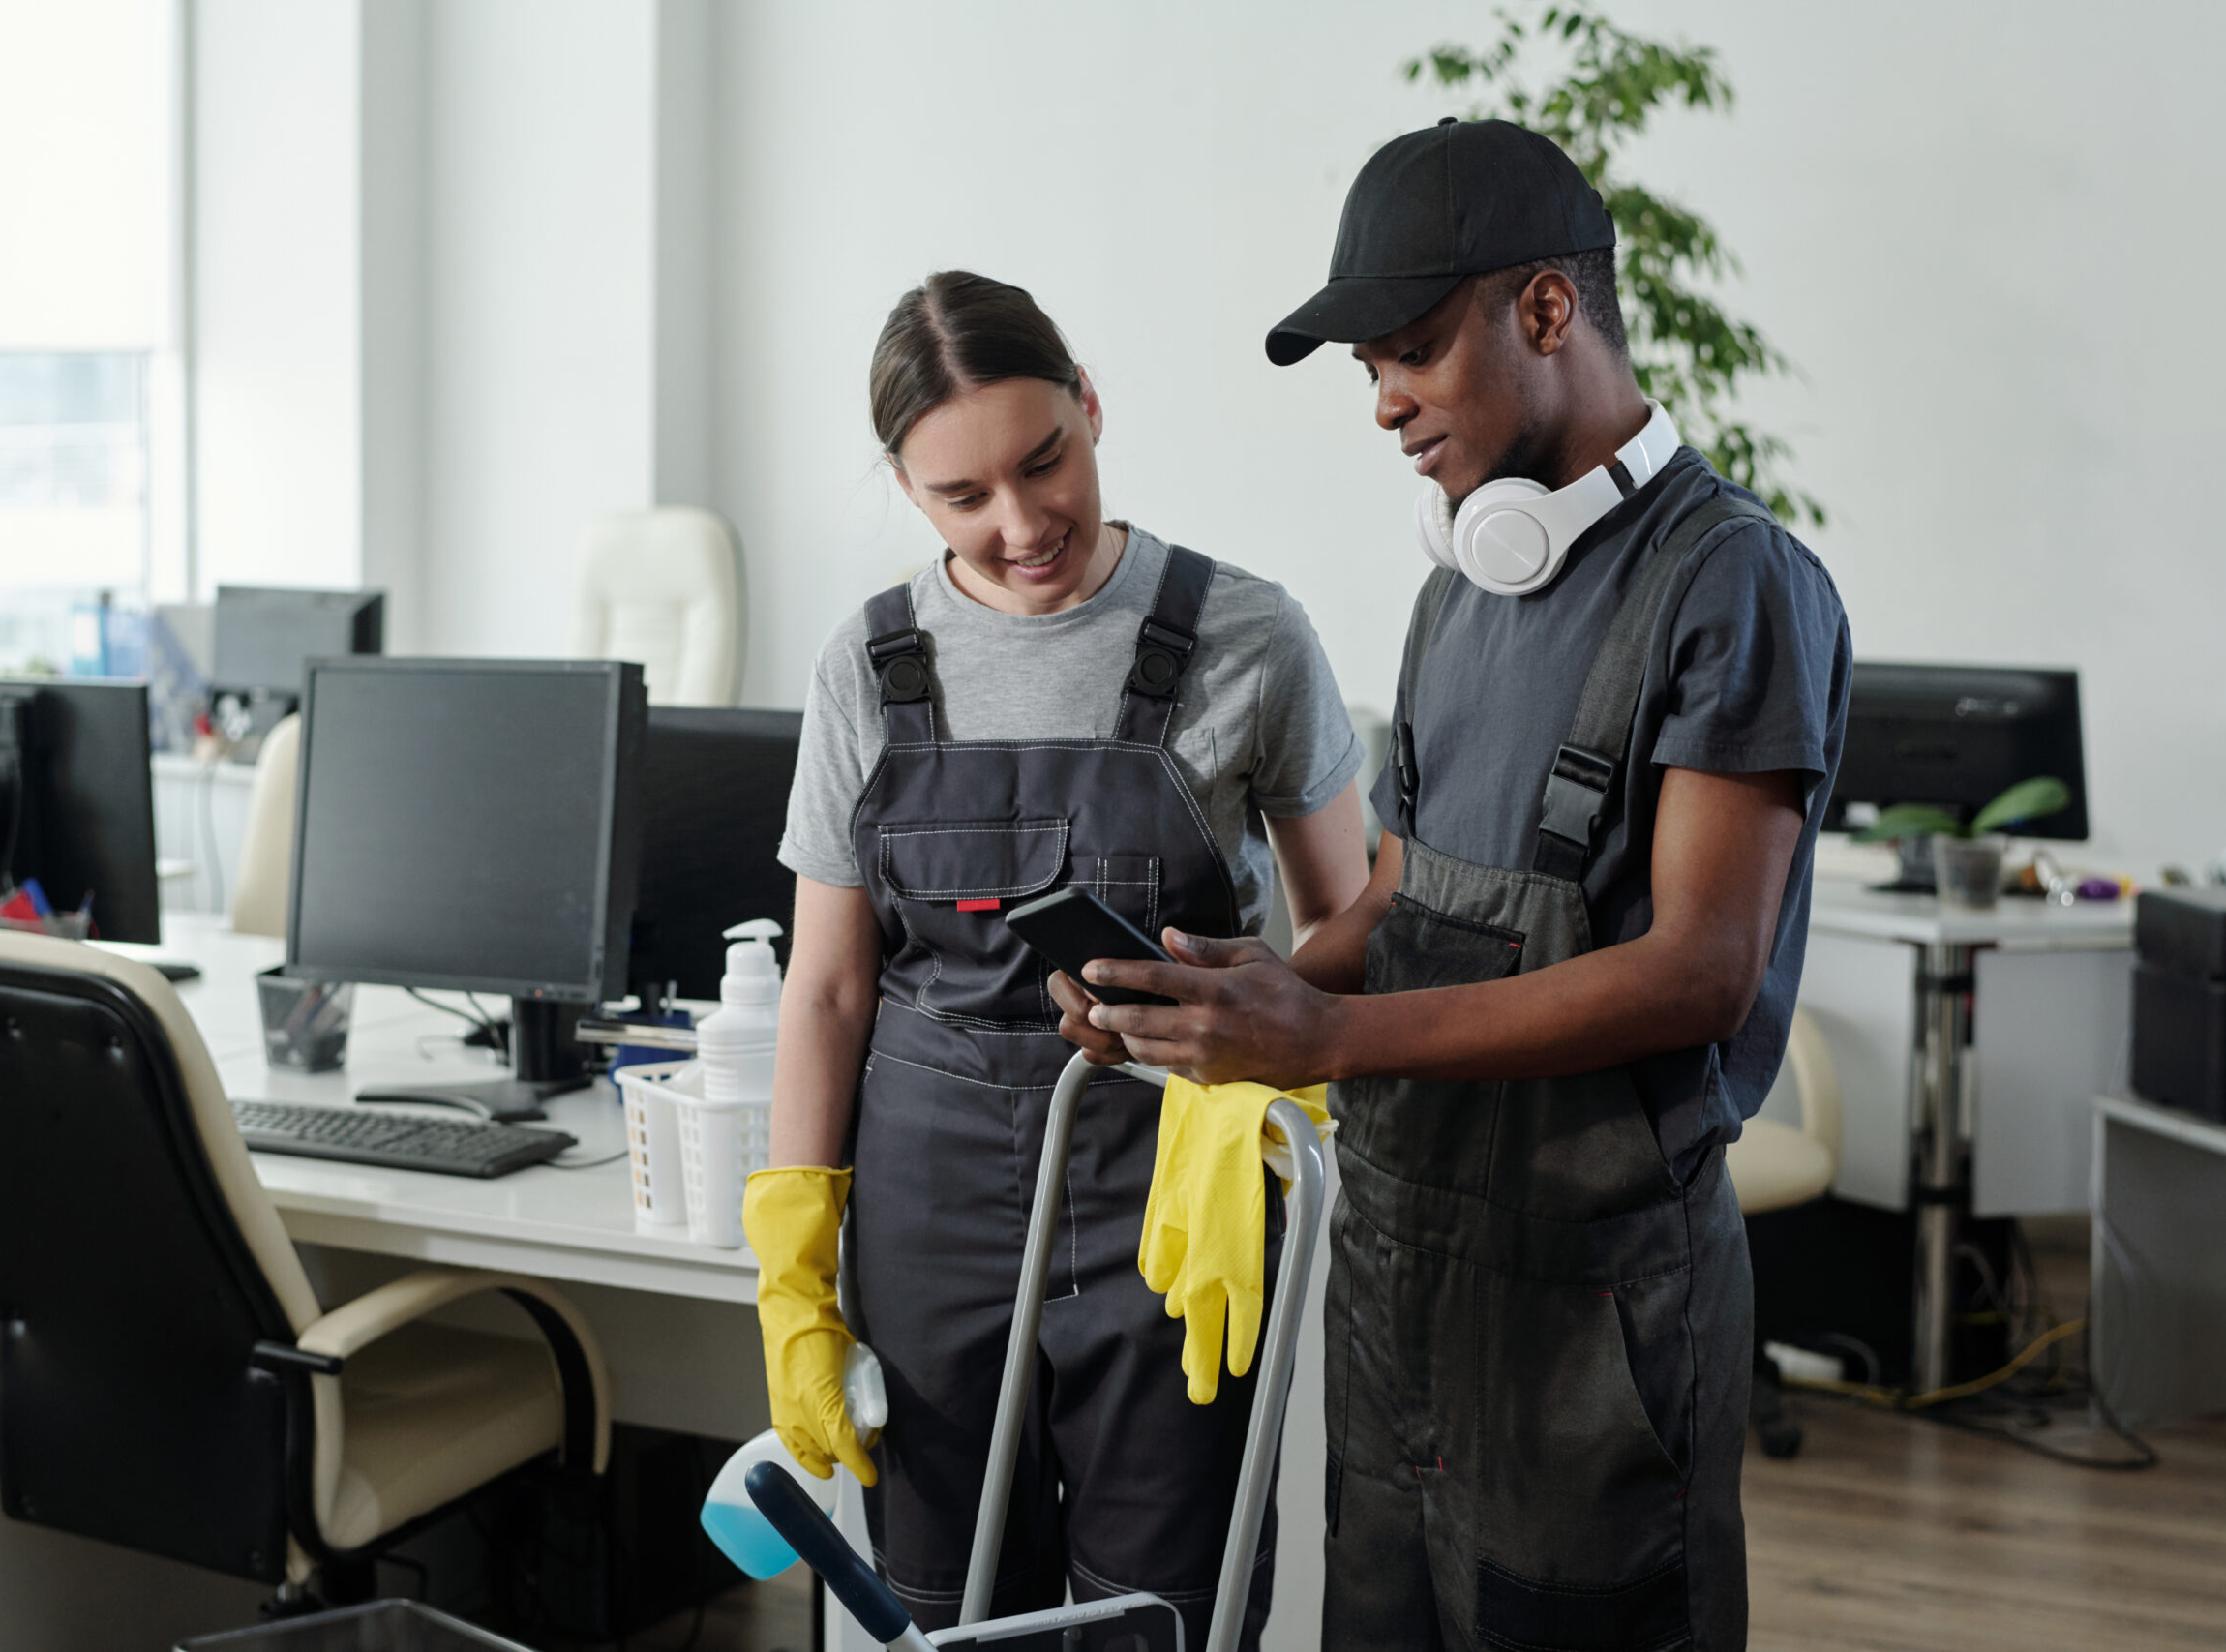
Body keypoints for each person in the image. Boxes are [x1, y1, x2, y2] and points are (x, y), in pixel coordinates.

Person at [1055, 121, 1853, 1652]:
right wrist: (1231, 988)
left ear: (1546, 312)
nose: (1385, 405)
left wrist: (1331, 1042)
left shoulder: (1734, 584)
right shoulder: (1455, 598)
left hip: (1595, 1313)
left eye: (1412, 352)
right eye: (1368, 370)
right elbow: (1407, 897)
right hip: (1399, 1281)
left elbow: (1701, 970)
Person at [744, 270, 1370, 1649]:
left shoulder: (1244, 634)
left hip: (1171, 1198)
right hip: (928, 1209)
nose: (1022, 527)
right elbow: (832, 986)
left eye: (1047, 463)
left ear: (1092, 408)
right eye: (965, 498)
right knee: (943, 1608)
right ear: (909, 493)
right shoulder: (870, 665)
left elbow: (1350, 923)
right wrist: (792, 1265)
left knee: (1163, 1614)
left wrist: (1254, 1097)